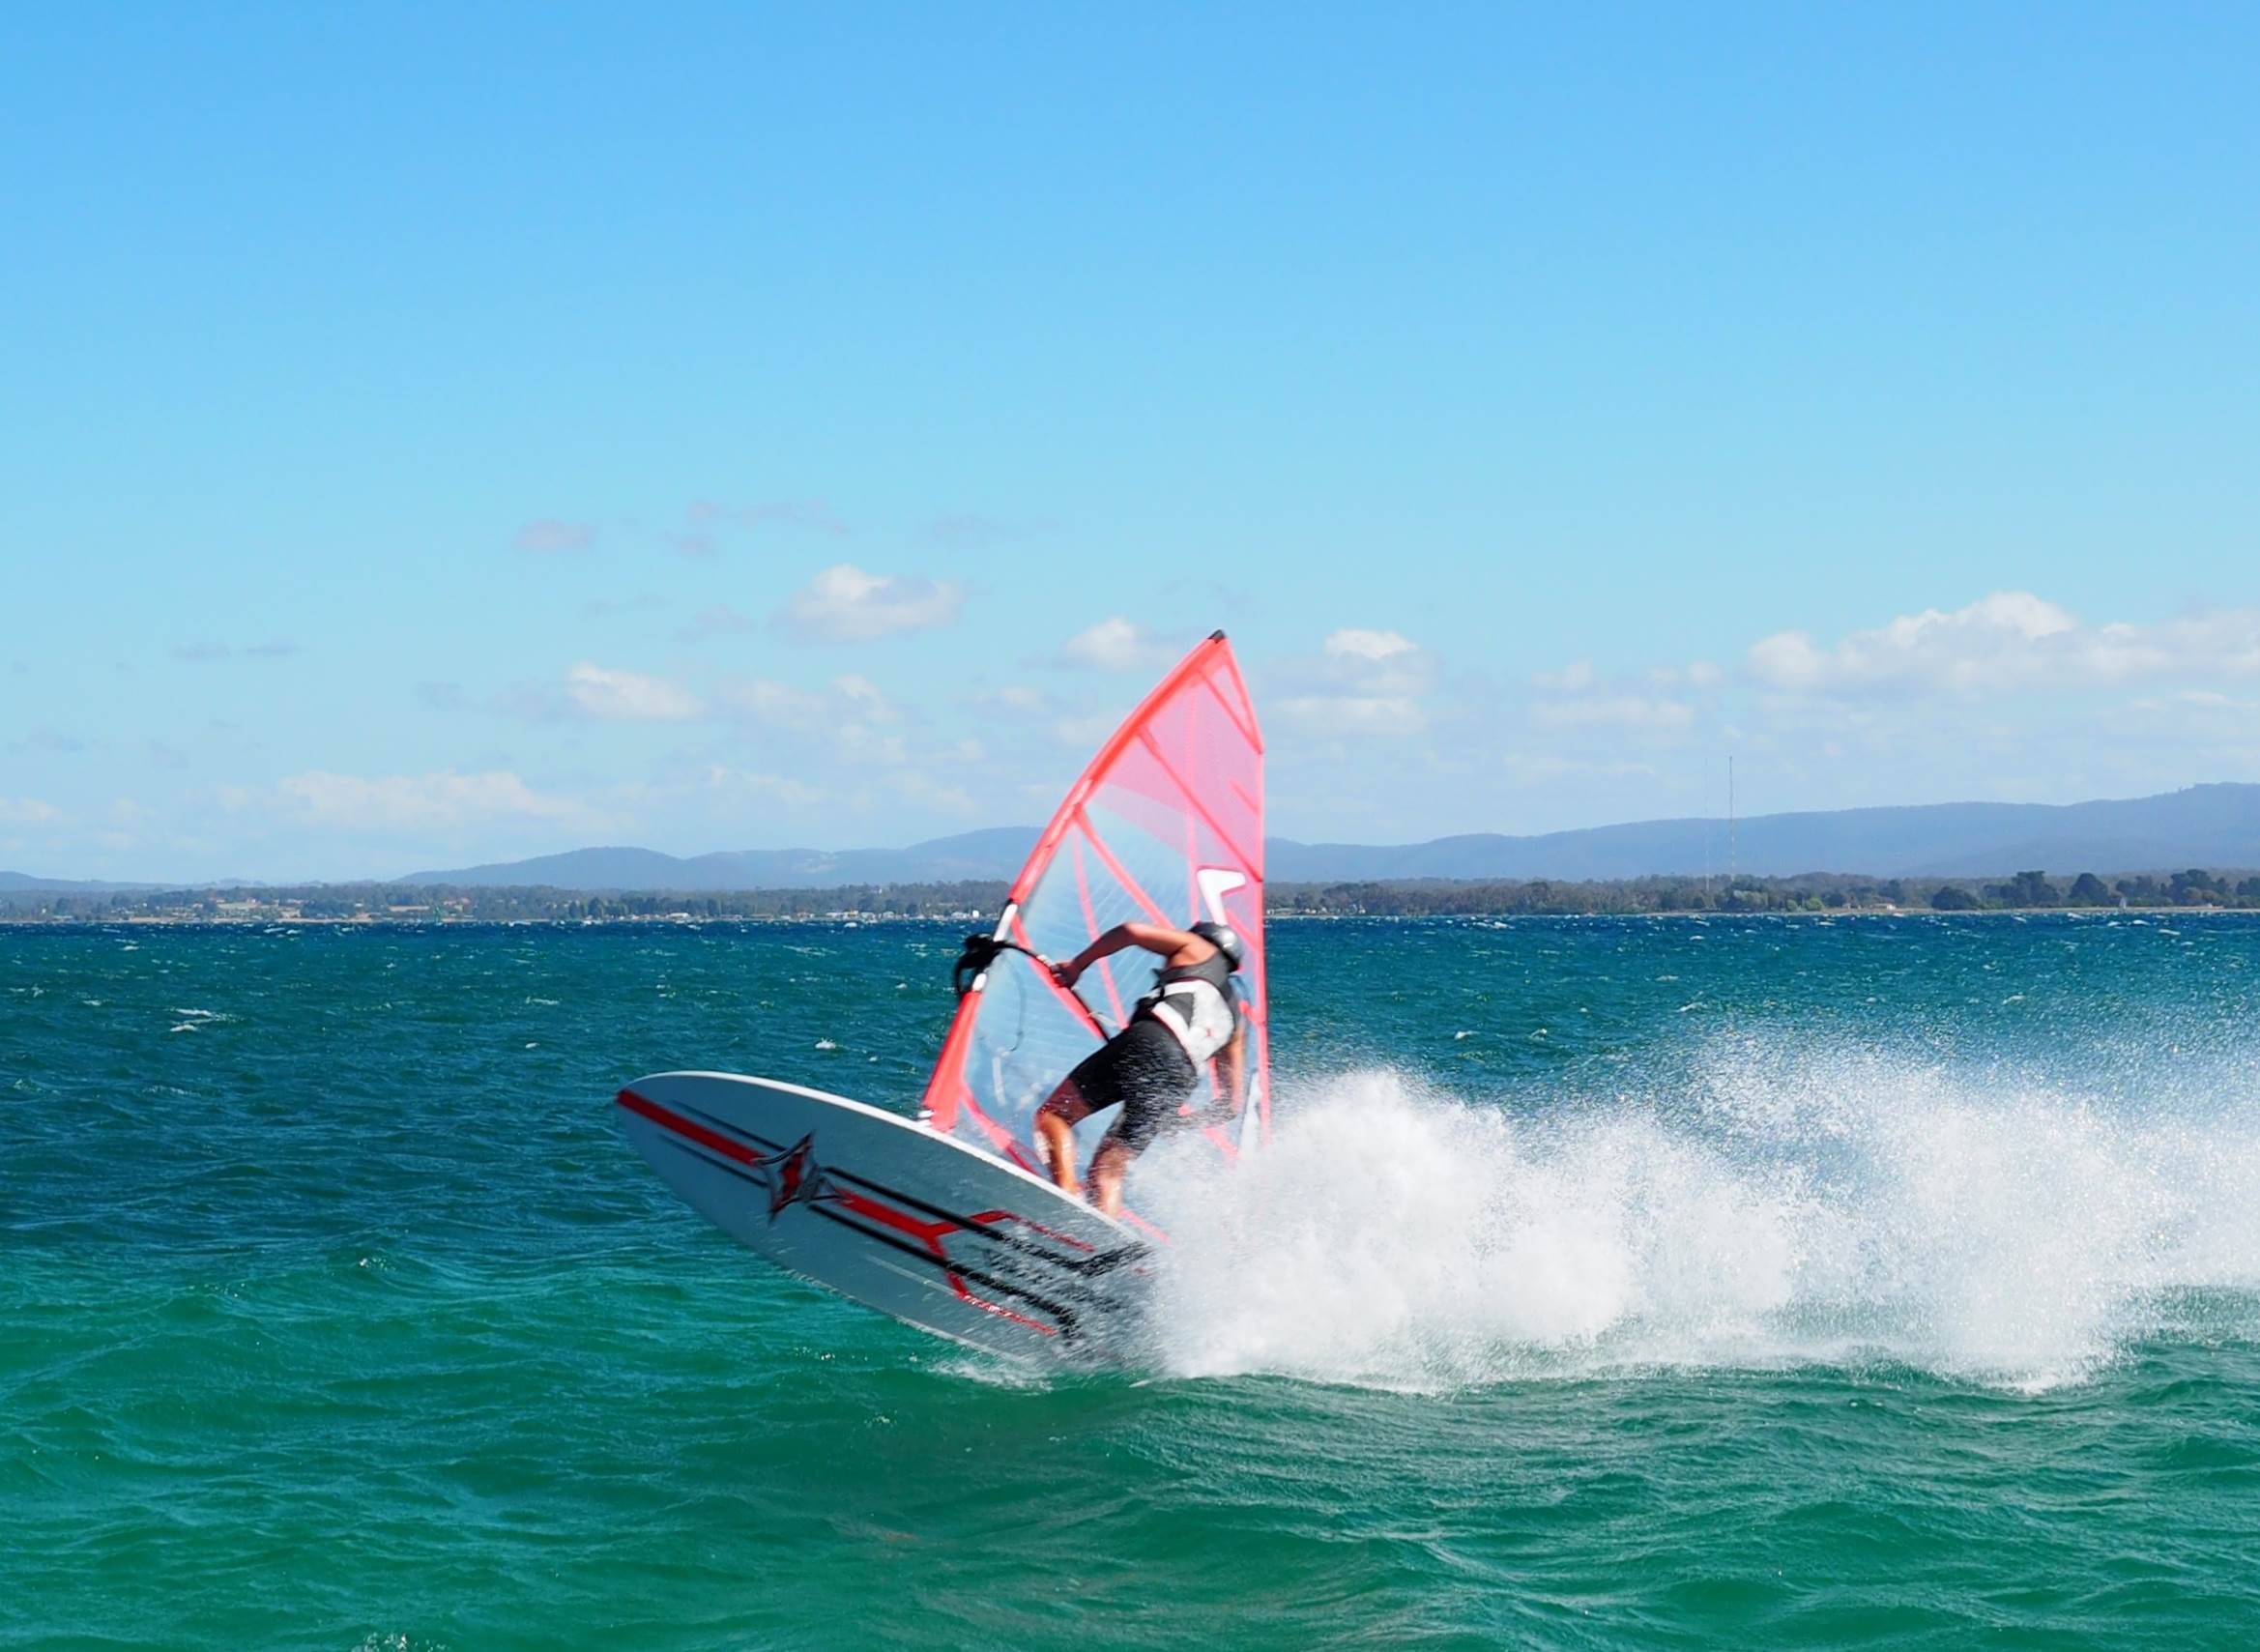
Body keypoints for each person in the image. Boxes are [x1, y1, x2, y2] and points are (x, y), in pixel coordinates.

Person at [1034, 919, 1247, 1217]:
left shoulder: (1197, 946)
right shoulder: (1237, 1021)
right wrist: (1180, 1124)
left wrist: (1077, 966)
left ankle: (1067, 1194)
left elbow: (1131, 931)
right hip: (1180, 1080)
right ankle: (1099, 1239)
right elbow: (1231, 1105)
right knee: (1109, 1170)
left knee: (1054, 1115)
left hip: (1152, 1039)